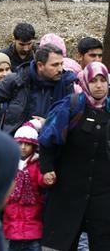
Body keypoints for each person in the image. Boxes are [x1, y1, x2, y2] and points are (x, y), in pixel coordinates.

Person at [39, 61, 110, 250]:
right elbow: (47, 140)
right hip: (67, 193)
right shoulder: (70, 107)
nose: (98, 85)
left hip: (102, 197)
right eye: (93, 80)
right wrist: (47, 169)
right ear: (85, 82)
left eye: (102, 80)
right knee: (60, 243)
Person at [0, 44, 75, 135]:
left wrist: (48, 123)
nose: (60, 69)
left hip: (48, 145)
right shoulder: (18, 80)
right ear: (40, 65)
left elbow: (73, 118)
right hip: (14, 144)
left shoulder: (66, 85)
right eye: (55, 65)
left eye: (61, 64)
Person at [3, 120, 46, 251]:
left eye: (27, 144)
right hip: (12, 222)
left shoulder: (37, 164)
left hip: (33, 221)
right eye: (20, 143)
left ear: (34, 146)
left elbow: (41, 180)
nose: (23, 147)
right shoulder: (9, 165)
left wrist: (47, 179)